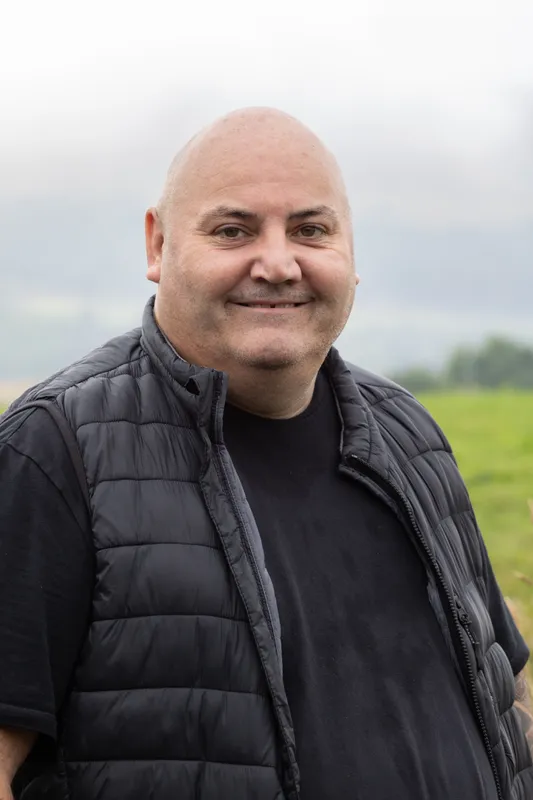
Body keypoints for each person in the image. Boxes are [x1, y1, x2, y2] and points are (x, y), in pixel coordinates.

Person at [0, 108, 531, 800]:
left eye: (311, 230)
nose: (278, 265)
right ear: (158, 245)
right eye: (233, 230)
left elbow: (502, 695)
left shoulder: (409, 436)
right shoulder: (55, 449)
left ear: (350, 253)